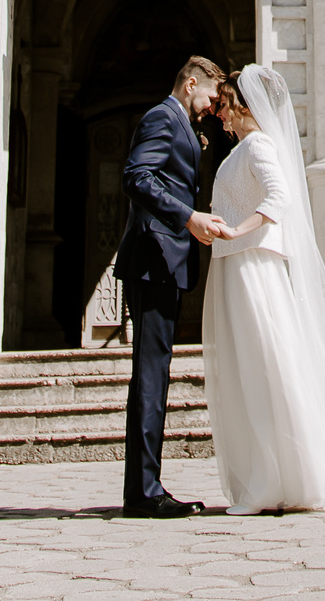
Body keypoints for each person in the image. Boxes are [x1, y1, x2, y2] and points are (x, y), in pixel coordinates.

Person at [202, 63, 325, 514]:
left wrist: (236, 231)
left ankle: (272, 481)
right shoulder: (243, 148)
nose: (219, 115)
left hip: (251, 265)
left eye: (225, 106)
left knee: (261, 365)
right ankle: (269, 479)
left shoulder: (259, 144)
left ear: (246, 107)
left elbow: (278, 195)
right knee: (246, 369)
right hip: (235, 265)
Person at [117, 55, 227, 518]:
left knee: (155, 373)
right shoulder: (163, 116)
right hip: (153, 258)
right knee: (150, 374)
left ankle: (146, 487)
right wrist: (188, 216)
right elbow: (135, 176)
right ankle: (144, 493)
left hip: (163, 261)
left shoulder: (178, 121)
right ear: (190, 83)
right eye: (209, 97)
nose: (211, 106)